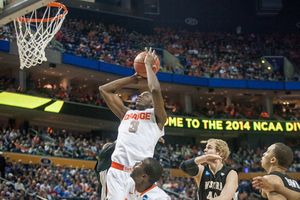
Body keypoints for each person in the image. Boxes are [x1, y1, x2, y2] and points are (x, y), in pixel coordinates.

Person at [99, 47, 167, 200]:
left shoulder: (157, 117)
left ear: (152, 103)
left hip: (139, 176)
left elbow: (155, 90)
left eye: (145, 95)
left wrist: (148, 66)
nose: (139, 97)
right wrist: (133, 78)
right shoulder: (126, 113)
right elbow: (104, 90)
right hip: (116, 171)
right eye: (138, 95)